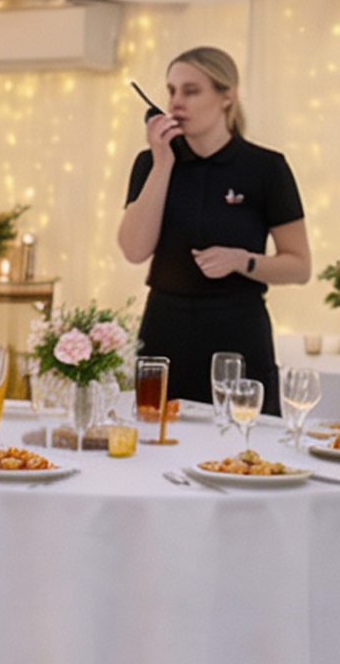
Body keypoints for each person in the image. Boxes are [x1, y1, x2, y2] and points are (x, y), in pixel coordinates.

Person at [117, 45, 309, 416]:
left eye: (191, 91)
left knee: (243, 450)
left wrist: (243, 261)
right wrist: (162, 165)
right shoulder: (151, 162)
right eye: (171, 91)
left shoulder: (266, 168)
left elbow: (299, 266)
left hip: (237, 331)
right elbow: (134, 250)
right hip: (164, 327)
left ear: (227, 96)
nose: (176, 103)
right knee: (156, 447)